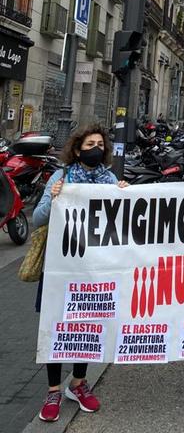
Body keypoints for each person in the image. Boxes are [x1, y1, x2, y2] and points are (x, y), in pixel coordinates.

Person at [32, 124, 128, 423]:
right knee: (57, 324)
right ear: (77, 149)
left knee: (88, 324)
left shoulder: (110, 179)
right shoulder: (61, 177)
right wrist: (55, 198)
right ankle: (53, 390)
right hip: (62, 268)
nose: (95, 148)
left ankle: (78, 383)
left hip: (94, 269)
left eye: (100, 144)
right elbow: (37, 219)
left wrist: (125, 195)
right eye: (90, 144)